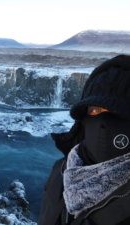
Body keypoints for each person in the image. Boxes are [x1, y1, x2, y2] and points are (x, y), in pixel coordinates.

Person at [38, 55, 130, 225]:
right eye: (95, 111)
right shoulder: (61, 171)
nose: (104, 124)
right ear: (83, 120)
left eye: (119, 114)